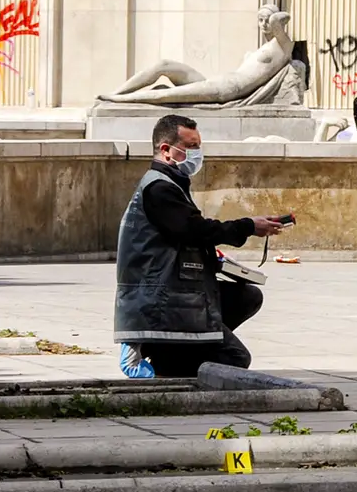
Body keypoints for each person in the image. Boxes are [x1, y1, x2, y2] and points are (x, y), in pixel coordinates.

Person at [114, 114, 285, 377]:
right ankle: (163, 360)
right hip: (162, 299)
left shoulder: (171, 184)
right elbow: (195, 230)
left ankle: (179, 347)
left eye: (198, 146)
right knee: (235, 358)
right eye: (190, 147)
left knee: (247, 297)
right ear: (166, 150)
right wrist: (248, 226)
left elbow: (188, 235)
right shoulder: (159, 189)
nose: (197, 153)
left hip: (178, 290)